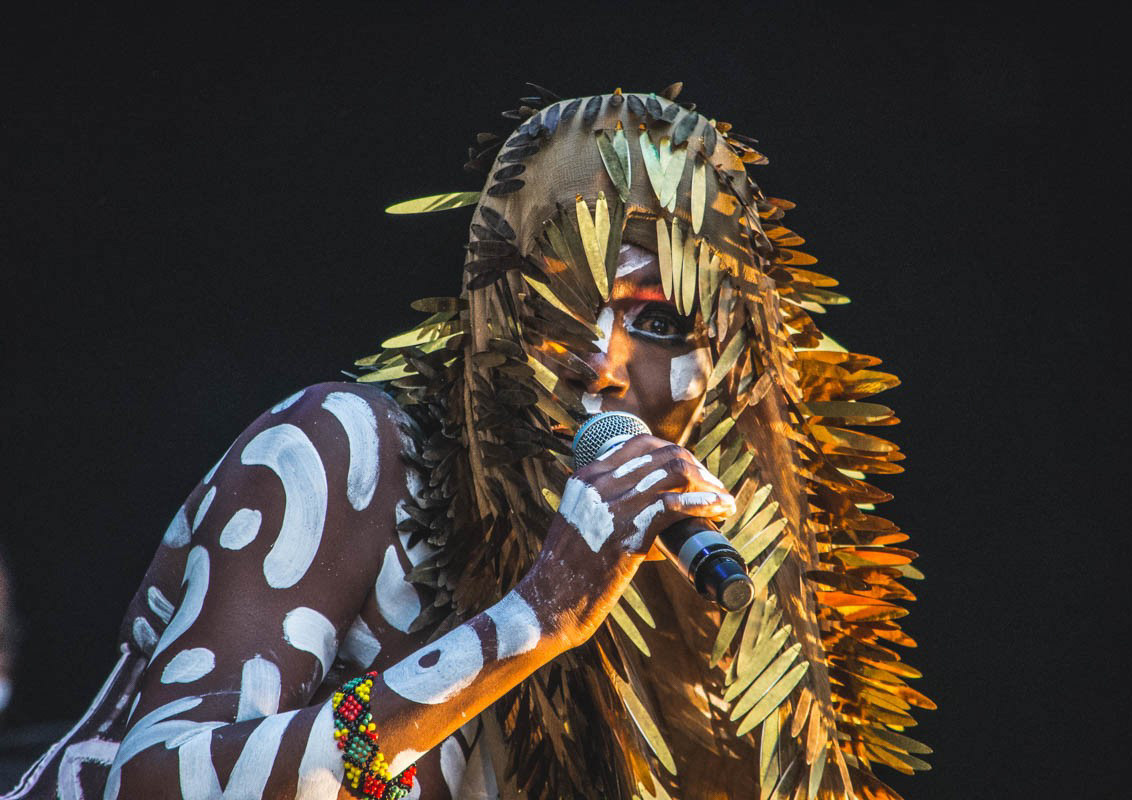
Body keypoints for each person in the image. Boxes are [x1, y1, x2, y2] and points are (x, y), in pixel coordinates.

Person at [3, 85, 929, 800]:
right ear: (497, 316)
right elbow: (156, 781)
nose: (600, 364)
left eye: (656, 323)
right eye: (558, 301)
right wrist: (532, 620)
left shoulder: (716, 602)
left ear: (730, 366)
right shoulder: (347, 453)